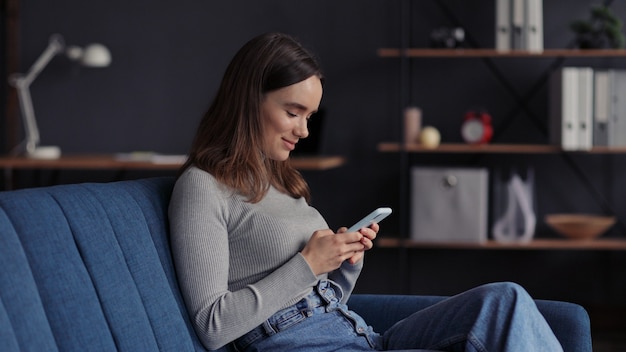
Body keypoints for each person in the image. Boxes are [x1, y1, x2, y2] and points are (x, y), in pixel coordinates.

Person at [169, 32, 563, 352]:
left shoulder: (281, 181)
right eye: (292, 113)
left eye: (309, 117)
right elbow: (212, 325)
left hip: (360, 337)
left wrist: (343, 263)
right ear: (246, 100)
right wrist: (308, 264)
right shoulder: (203, 188)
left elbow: (327, 300)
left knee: (503, 301)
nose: (304, 131)